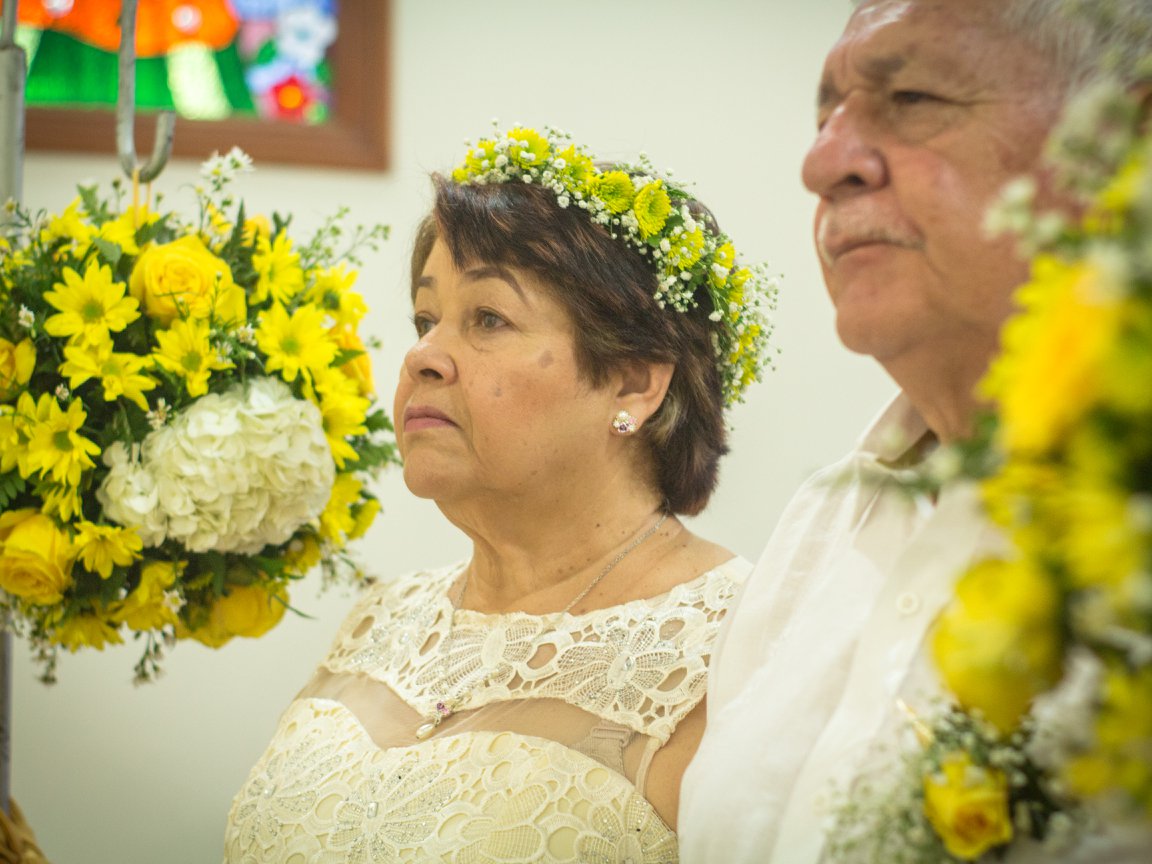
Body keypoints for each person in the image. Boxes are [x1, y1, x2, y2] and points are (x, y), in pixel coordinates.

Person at [679, 1, 1152, 862]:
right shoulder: (823, 515)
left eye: (916, 97)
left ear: (1127, 143)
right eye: (826, 114)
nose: (821, 161)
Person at [222, 126, 777, 861]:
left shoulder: (736, 653)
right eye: (426, 320)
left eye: (487, 319)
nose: (422, 355)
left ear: (636, 381)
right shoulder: (380, 620)